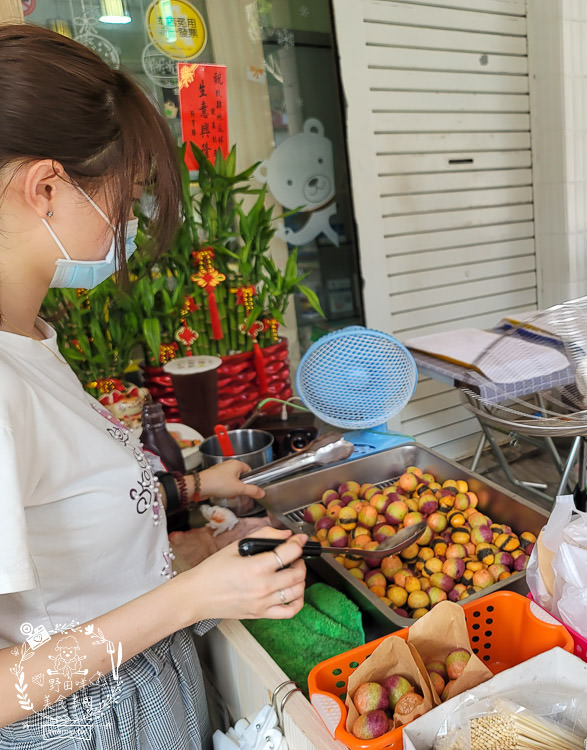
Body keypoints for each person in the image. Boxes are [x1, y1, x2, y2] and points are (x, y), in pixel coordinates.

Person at [0, 25, 309, 747]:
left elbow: (68, 569)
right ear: (46, 187)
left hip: (145, 698)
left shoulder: (33, 339)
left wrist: (201, 557)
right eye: (128, 196)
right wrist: (189, 599)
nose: (130, 223)